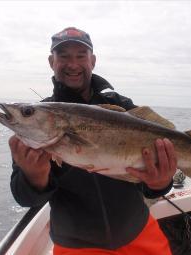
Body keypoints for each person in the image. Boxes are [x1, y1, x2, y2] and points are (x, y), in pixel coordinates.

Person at [9, 27, 177, 255]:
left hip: (139, 232)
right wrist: (35, 178)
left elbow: (150, 186)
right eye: (64, 56)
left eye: (81, 56)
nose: (73, 64)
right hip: (76, 245)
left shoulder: (122, 106)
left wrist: (160, 183)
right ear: (51, 61)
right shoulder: (35, 127)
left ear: (93, 61)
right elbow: (24, 197)